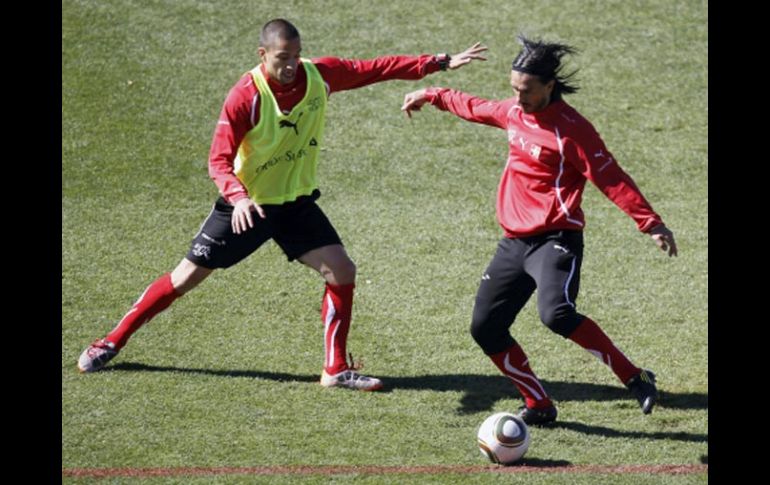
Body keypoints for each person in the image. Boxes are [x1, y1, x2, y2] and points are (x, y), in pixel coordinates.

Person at [77, 18, 488, 391]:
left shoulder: (318, 75)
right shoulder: (245, 96)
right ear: (263, 55)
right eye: (281, 58)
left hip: (295, 205)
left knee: (341, 270)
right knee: (184, 279)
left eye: (295, 55)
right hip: (248, 207)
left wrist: (437, 62)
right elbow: (217, 161)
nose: (291, 65)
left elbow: (373, 68)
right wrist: (237, 199)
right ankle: (111, 341)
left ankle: (335, 369)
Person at [400, 35, 677, 421]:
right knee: (485, 328)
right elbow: (474, 106)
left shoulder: (572, 130)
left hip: (556, 238)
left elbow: (610, 177)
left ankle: (635, 377)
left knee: (557, 314)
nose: (518, 98)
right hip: (514, 242)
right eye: (514, 89)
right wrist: (431, 93)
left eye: (527, 91)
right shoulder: (515, 113)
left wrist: (650, 223)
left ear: (550, 86)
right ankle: (539, 404)